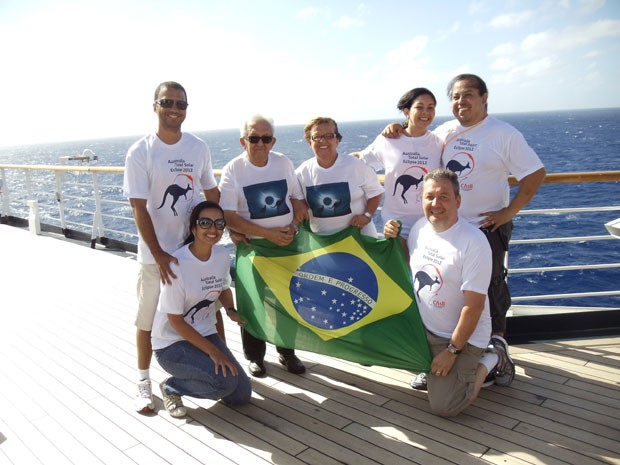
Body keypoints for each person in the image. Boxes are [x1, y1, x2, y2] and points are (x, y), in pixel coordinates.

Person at [383, 74, 545, 389]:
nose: (461, 102)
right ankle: (436, 356)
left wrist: (508, 212)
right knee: (439, 291)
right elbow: (416, 139)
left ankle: (495, 354)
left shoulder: (503, 134)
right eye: (455, 97)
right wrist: (397, 129)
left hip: (485, 227)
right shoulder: (446, 131)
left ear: (485, 97)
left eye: (468, 95)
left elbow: (535, 174)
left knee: (489, 290)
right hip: (445, 229)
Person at [384, 169, 514, 417]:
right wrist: (394, 239)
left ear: (458, 200)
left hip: (462, 338)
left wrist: (452, 352)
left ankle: (493, 357)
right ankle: (433, 367)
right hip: (426, 330)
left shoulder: (473, 242)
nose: (435, 204)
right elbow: (410, 264)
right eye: (429, 196)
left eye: (444, 197)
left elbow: (473, 307)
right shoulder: (420, 228)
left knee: (446, 406)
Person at [123, 81, 220, 412]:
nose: (175, 108)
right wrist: (159, 254)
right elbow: (139, 206)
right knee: (147, 319)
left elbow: (211, 192)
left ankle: (220, 366)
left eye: (181, 103)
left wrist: (222, 228)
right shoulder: (141, 151)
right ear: (155, 107)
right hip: (156, 257)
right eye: (167, 102)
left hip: (191, 252)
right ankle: (141, 382)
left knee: (207, 308)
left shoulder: (198, 148)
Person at [219, 114, 307, 378]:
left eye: (265, 138)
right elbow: (229, 216)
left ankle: (287, 352)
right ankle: (255, 356)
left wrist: (292, 226)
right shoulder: (233, 170)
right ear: (243, 140)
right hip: (254, 248)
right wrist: (267, 234)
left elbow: (298, 200)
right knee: (252, 303)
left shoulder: (283, 163)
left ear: (273, 141)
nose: (260, 143)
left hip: (287, 245)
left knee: (288, 300)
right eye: (253, 138)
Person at [152, 201, 252, 418]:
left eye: (219, 223)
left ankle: (207, 377)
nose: (213, 229)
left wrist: (230, 310)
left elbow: (224, 287)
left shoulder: (221, 255)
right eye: (205, 222)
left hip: (204, 333)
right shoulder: (176, 264)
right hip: (171, 344)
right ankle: (171, 387)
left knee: (241, 395)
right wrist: (214, 352)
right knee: (224, 384)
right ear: (194, 228)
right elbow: (176, 321)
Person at [351, 88, 442, 239]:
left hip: (429, 222)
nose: (425, 112)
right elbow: (361, 160)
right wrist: (332, 162)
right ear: (406, 111)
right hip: (395, 224)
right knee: (401, 262)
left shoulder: (439, 143)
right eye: (419, 107)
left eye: (430, 107)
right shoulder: (388, 140)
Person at [296, 116, 383, 236]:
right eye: (317, 137)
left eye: (329, 136)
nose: (323, 140)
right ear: (309, 142)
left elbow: (376, 192)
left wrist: (366, 216)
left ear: (337, 140)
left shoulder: (356, 165)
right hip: (323, 241)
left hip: (360, 236)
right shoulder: (301, 173)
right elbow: (295, 199)